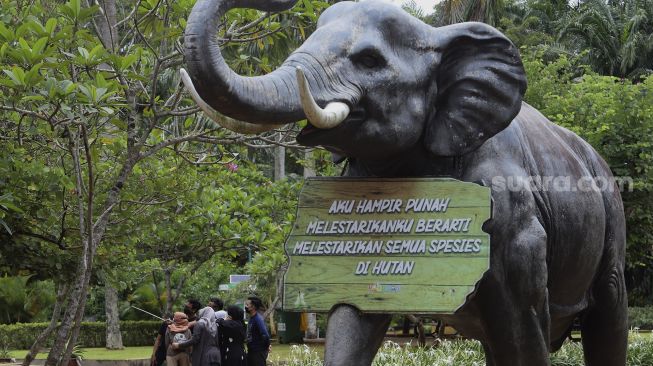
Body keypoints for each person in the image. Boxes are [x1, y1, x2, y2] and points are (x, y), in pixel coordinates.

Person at [245, 297, 270, 366]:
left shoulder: (258, 319)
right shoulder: (251, 318)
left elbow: (265, 335)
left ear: (253, 306)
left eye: (247, 304)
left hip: (258, 353)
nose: (246, 306)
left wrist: (266, 347)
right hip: (252, 352)